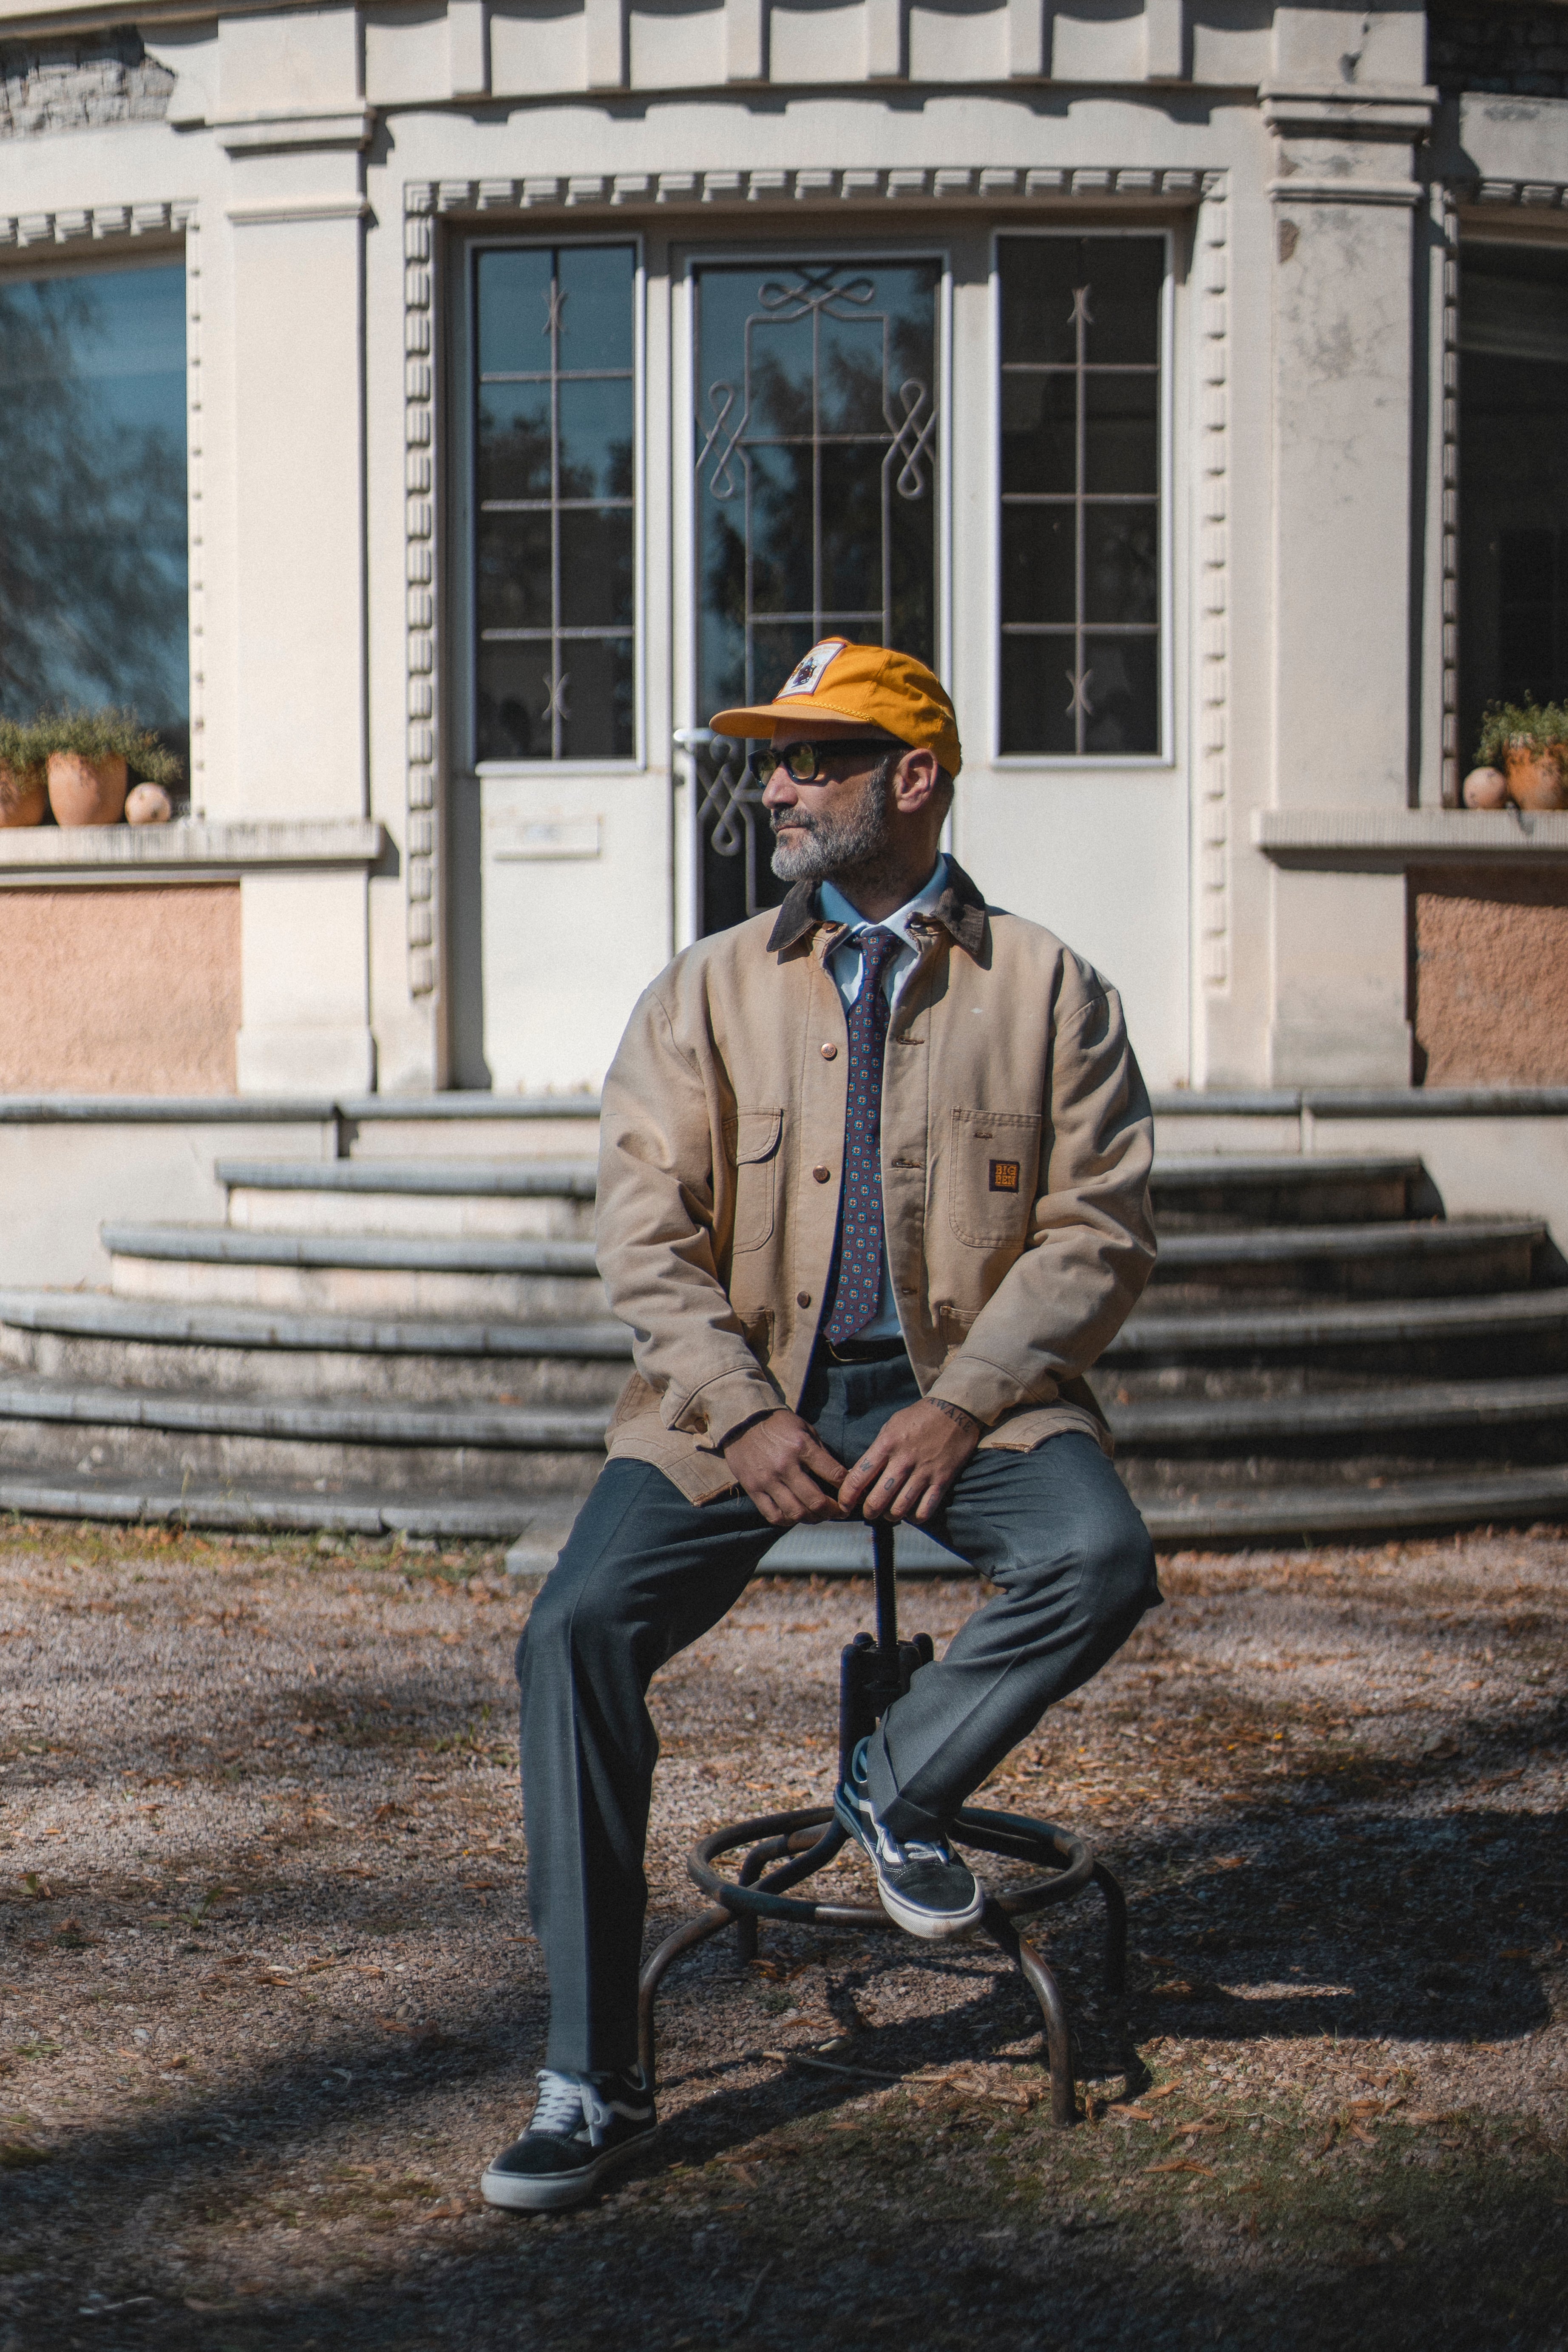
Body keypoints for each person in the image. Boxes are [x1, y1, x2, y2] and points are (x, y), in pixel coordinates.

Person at [481, 640, 1160, 2213]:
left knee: (1099, 1555)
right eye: (769, 759)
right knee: (573, 1631)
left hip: (968, 1396)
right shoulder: (706, 989)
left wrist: (963, 1400)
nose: (772, 786)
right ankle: (590, 2077)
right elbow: (643, 1237)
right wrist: (736, 1410)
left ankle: (896, 1785)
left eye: (810, 759)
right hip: (738, 1398)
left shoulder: (1051, 988)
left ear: (910, 781)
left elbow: (1101, 1232)